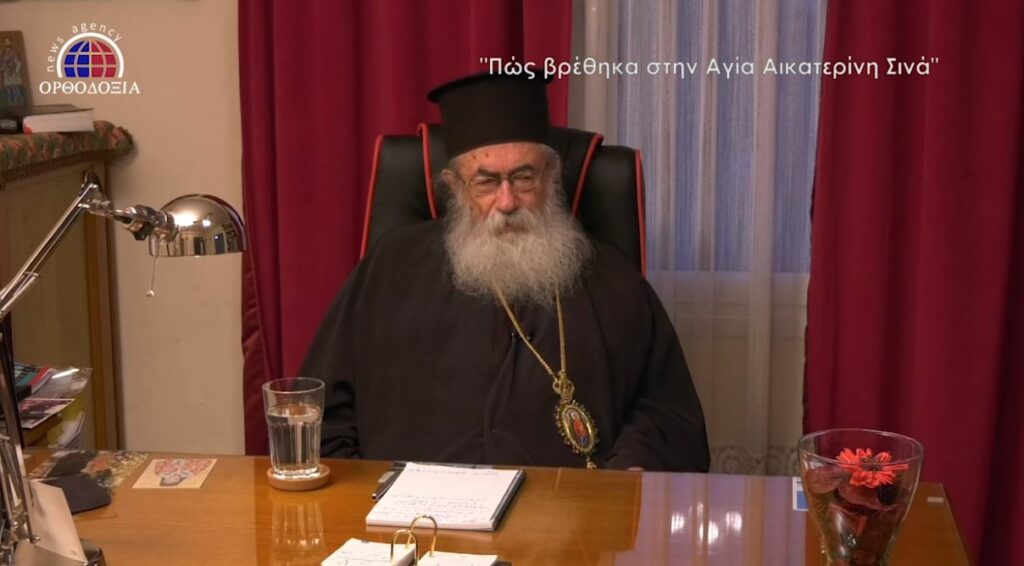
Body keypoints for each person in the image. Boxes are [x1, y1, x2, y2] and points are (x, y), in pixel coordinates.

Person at [301, 73, 709, 471]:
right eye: (487, 182)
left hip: (569, 513)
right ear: (455, 187)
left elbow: (668, 415)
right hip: (408, 511)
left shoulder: (611, 279)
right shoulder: (391, 268)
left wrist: (627, 474)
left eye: (524, 178)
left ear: (551, 177)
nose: (508, 201)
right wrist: (357, 498)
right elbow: (320, 410)